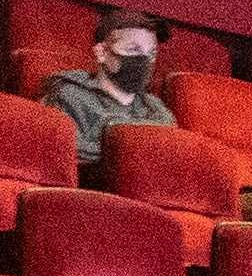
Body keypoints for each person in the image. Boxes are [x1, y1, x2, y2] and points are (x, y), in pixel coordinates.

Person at [45, 10, 172, 167]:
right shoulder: (69, 96)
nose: (144, 60)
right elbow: (64, 151)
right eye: (133, 50)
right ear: (102, 52)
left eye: (151, 54)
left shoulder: (157, 110)